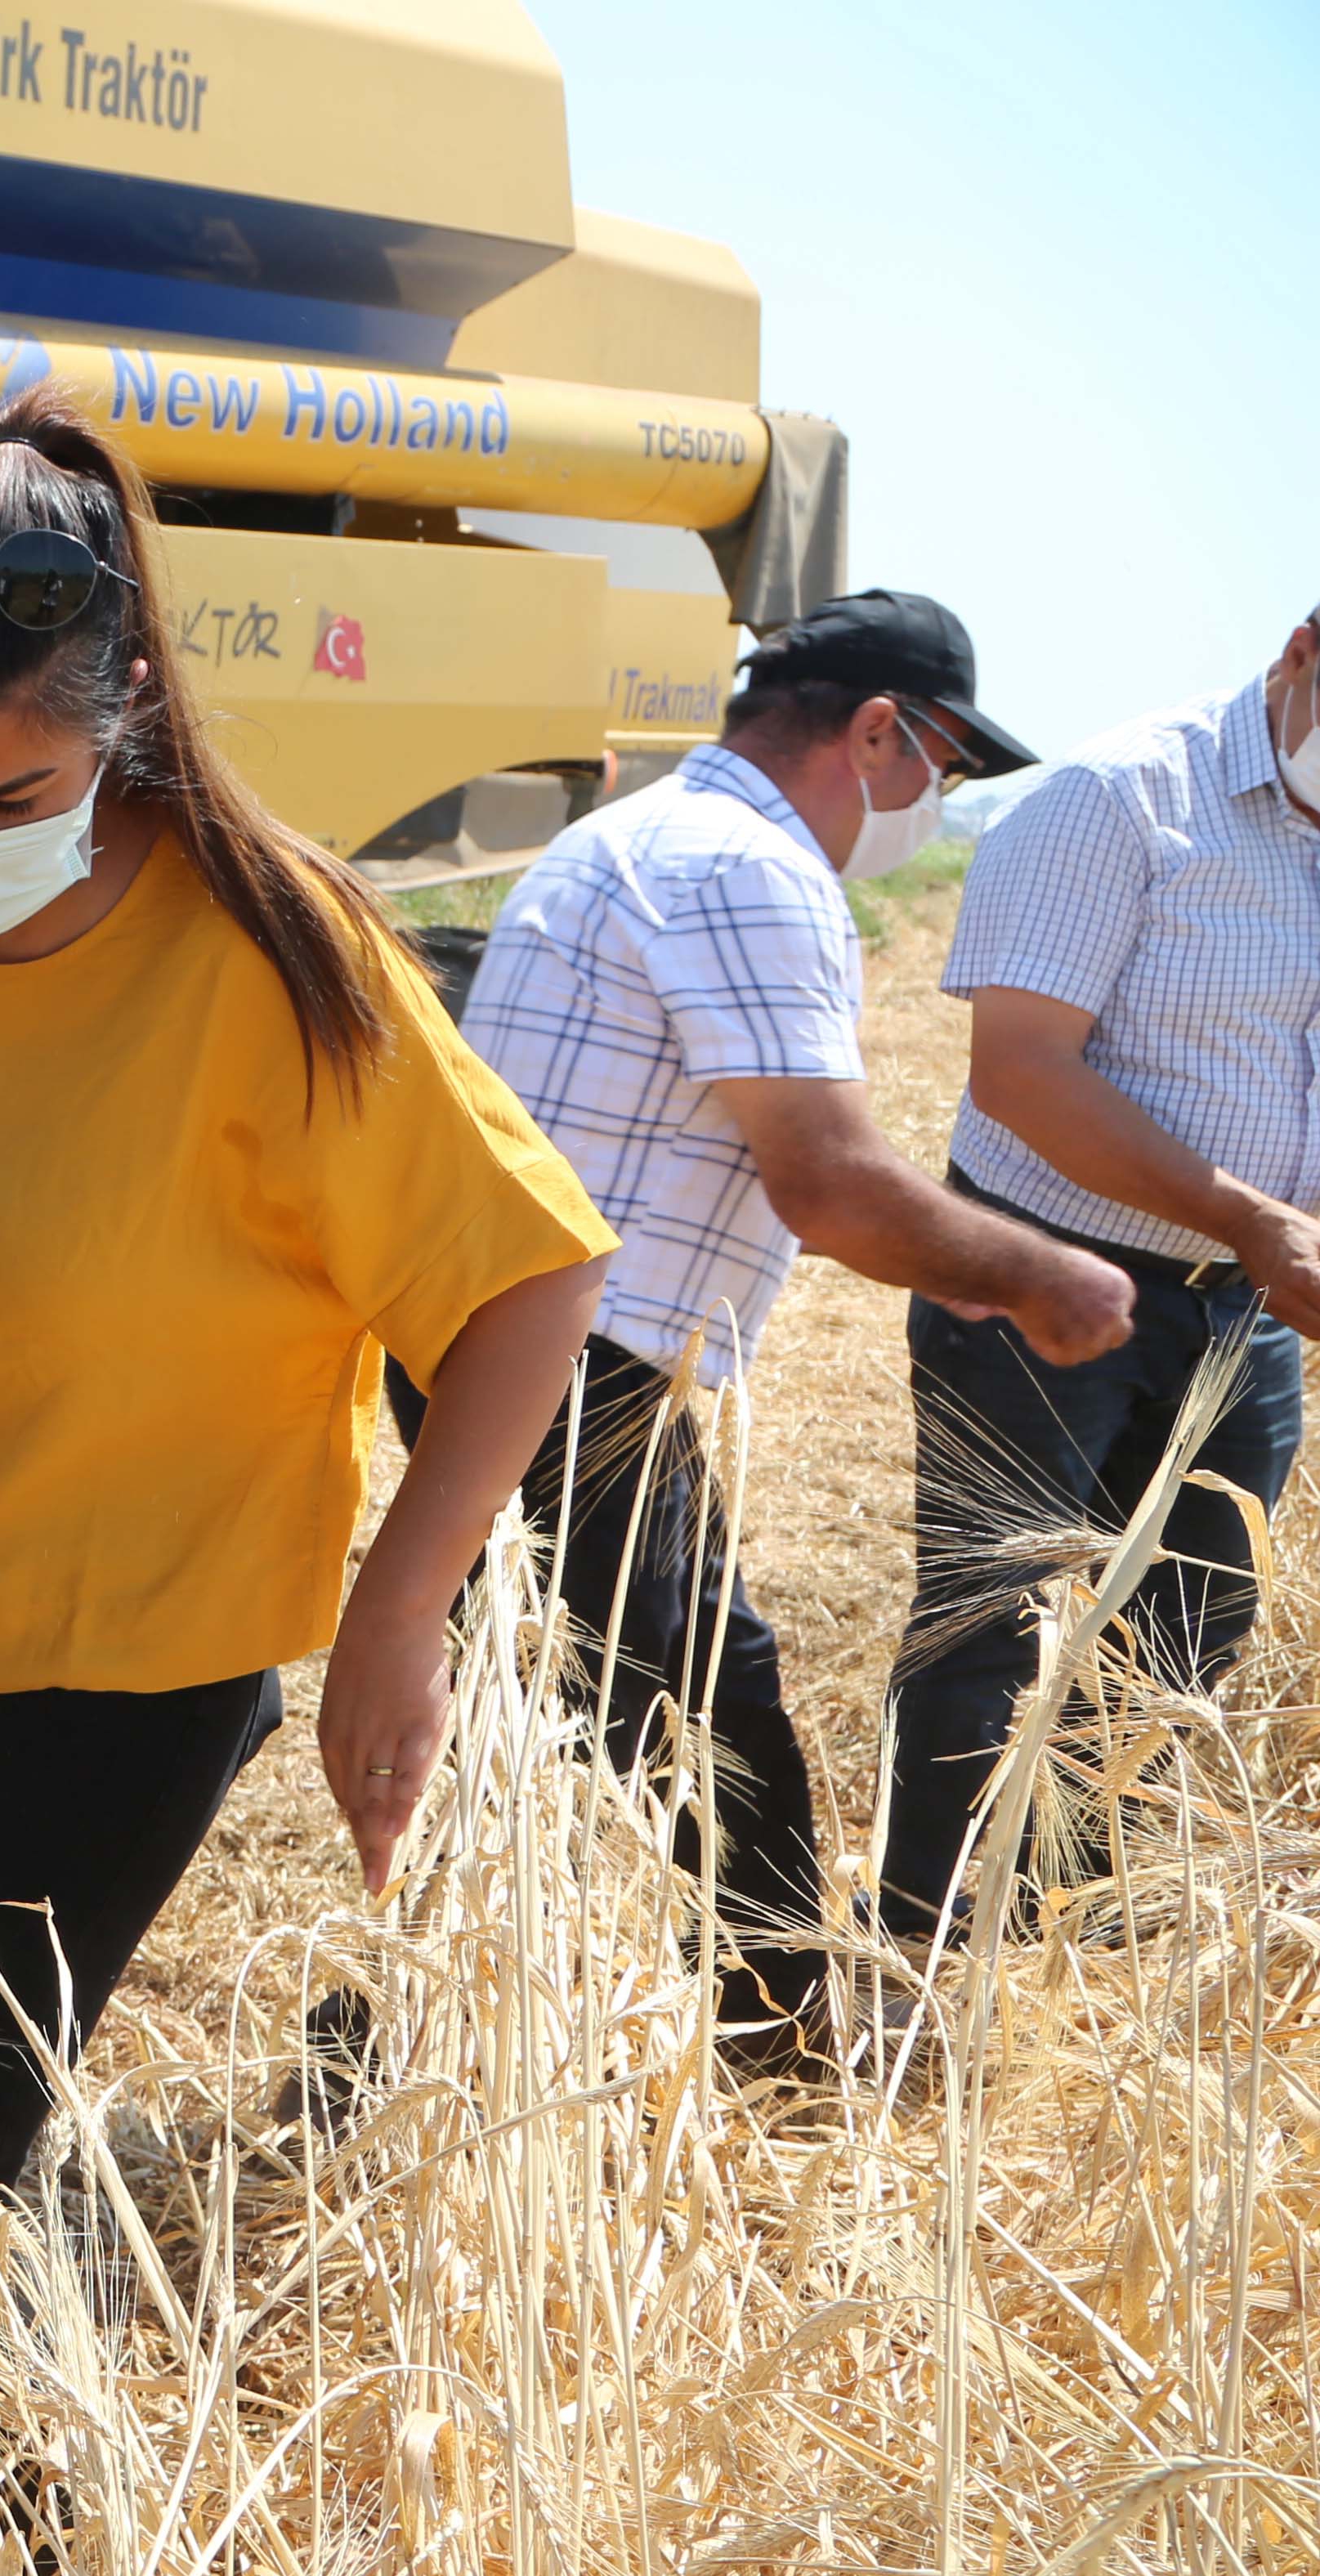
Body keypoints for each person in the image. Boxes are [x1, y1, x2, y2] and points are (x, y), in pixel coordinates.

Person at [0, 389, 612, 2270]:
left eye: (1, 803)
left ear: (125, 716)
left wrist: (400, 1613)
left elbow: (533, 1278)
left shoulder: (275, 954)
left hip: (140, 1641)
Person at [447, 591, 1125, 2070]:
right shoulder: (751, 868)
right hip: (587, 1360)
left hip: (497, 1336)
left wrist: (951, 1255)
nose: (929, 804)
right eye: (936, 766)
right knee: (709, 1698)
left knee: (544, 1699)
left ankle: (428, 2017)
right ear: (877, 728)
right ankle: (776, 2038)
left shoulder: (619, 837)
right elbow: (827, 1180)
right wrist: (1040, 1276)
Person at [886, 604, 1320, 1945]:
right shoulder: (1119, 799)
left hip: (1245, 1305)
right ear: (1306, 653)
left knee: (1189, 1628)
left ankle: (1064, 1938)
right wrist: (1253, 1219)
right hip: (1047, 1280)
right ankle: (922, 1948)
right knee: (991, 1618)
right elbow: (1020, 1074)